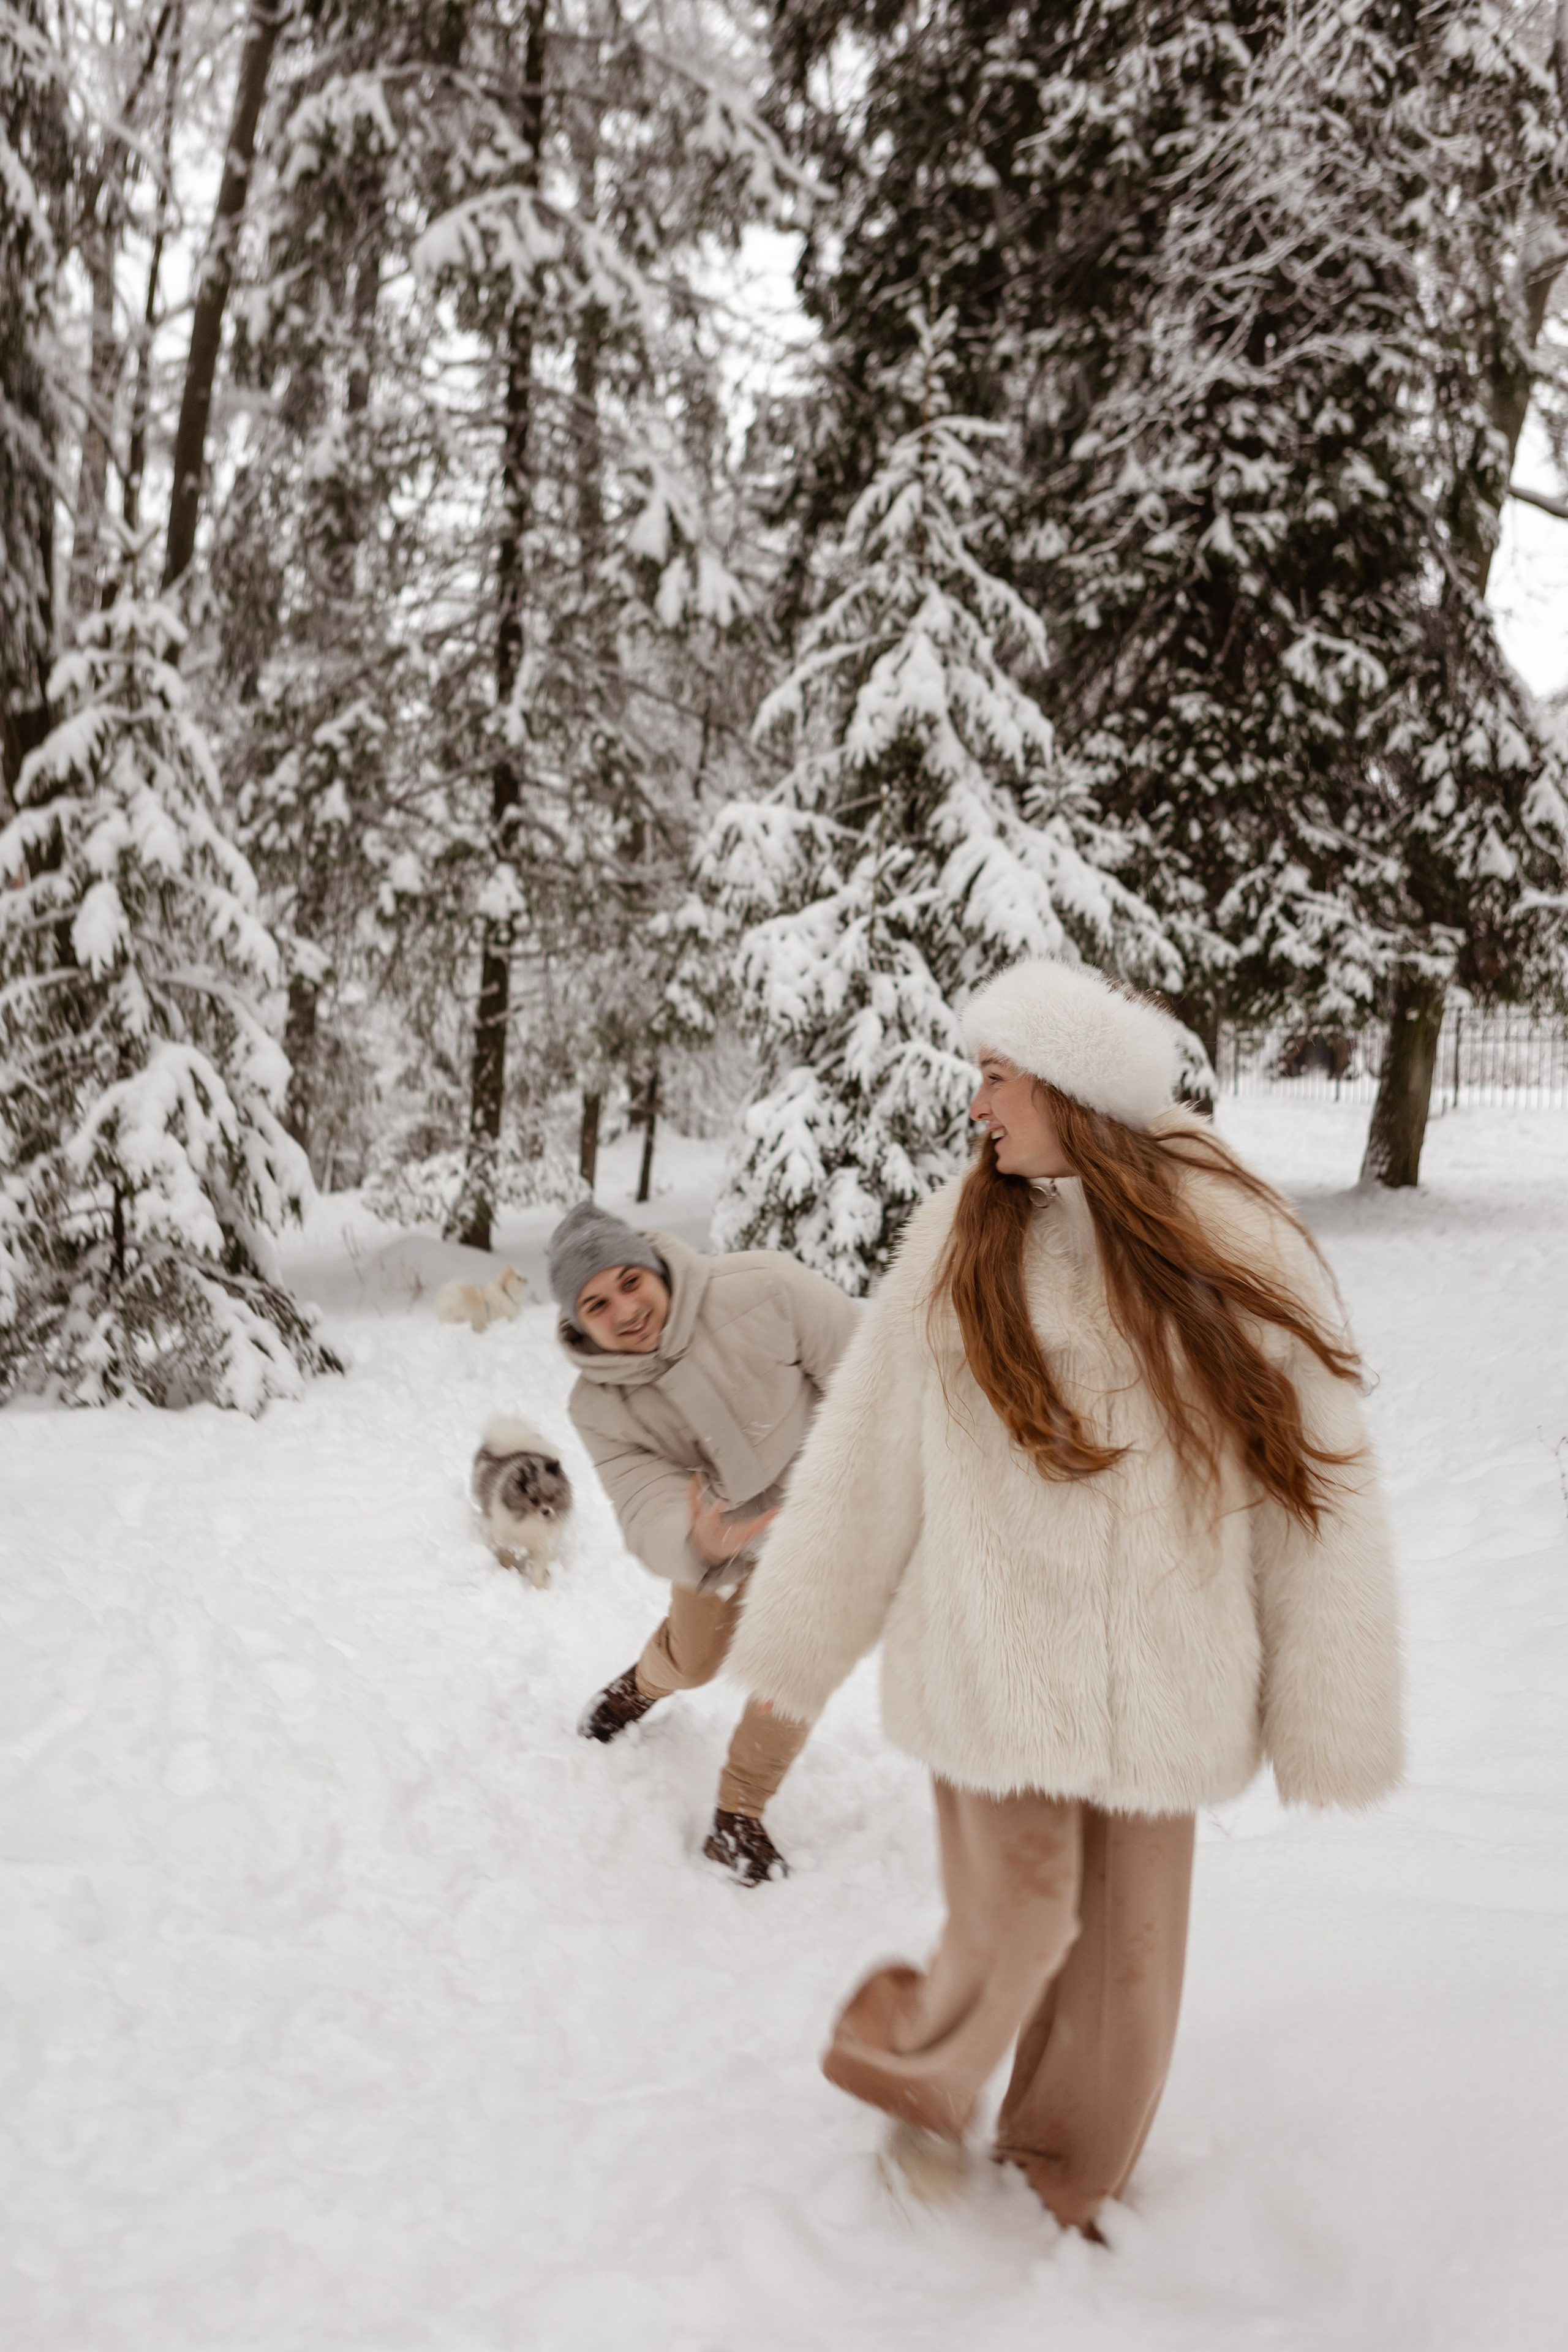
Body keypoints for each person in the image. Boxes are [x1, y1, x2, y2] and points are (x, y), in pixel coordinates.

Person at [727, 957, 1403, 2228]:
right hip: (990, 1659)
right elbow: (869, 1449)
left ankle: (1066, 2173)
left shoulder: (1230, 1232)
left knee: (1130, 1967)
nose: (973, 1105)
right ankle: (913, 2072)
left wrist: (1329, 1702)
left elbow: (1316, 1480)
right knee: (1023, 1917)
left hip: (1168, 1674)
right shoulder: (961, 1230)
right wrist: (804, 1637)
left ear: (1069, 1092)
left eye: (994, 1080)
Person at [548, 1199, 859, 1885]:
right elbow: (641, 1497)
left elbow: (868, 1369)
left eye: (630, 1281)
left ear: (655, 1265)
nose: (625, 1310)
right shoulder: (596, 1406)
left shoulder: (764, 1287)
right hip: (719, 1538)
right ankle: (640, 1685)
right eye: (596, 1304)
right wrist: (697, 1540)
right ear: (577, 1322)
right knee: (693, 1662)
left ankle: (736, 1819)